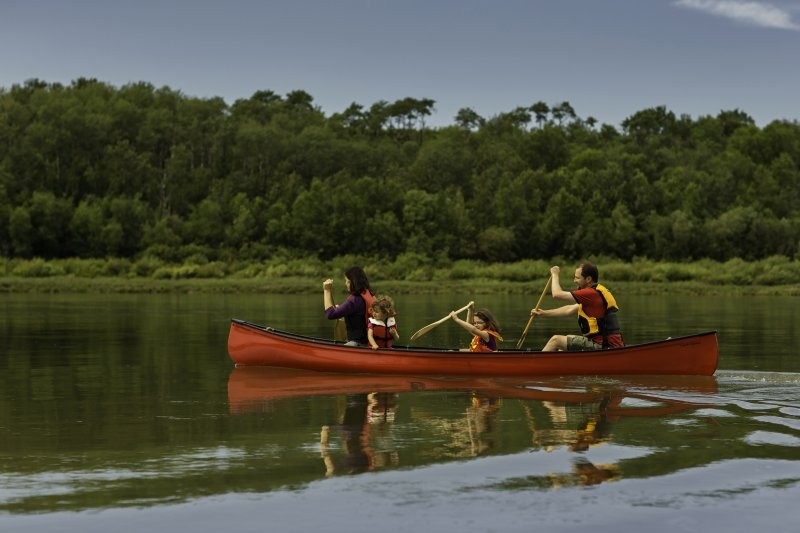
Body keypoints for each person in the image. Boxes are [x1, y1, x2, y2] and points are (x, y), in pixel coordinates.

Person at [532, 263, 623, 351]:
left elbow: (556, 294)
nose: (574, 280)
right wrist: (543, 313)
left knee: (556, 340)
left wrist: (555, 274)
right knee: (568, 338)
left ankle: (535, 364)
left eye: (577, 278)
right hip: (605, 344)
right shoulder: (594, 293)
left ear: (588, 279)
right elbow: (569, 309)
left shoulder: (590, 293)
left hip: (602, 346)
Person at [323, 266, 374, 346]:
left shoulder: (355, 300)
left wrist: (326, 290)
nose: (345, 284)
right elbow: (336, 313)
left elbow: (330, 314)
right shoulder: (368, 294)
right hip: (367, 343)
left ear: (353, 282)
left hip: (357, 344)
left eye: (347, 281)